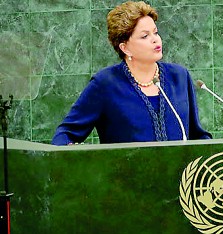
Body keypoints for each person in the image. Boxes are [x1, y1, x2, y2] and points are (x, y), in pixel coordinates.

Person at [52, 1, 212, 145]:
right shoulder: (105, 84)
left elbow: (196, 135)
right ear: (125, 47)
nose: (156, 40)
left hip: (181, 176)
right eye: (145, 36)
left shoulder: (179, 76)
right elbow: (65, 135)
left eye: (155, 33)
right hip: (125, 176)